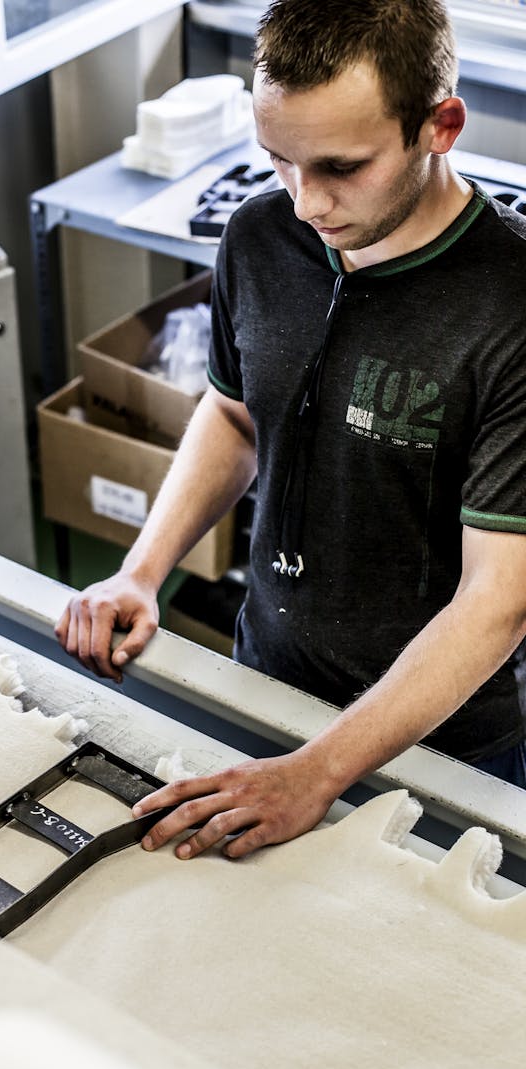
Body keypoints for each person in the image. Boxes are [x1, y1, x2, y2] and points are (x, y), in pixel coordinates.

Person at [55, 0, 526, 860]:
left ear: (441, 125)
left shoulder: (510, 307)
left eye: (344, 166)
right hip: (266, 682)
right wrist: (141, 571)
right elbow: (235, 414)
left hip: (448, 748)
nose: (307, 203)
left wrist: (318, 773)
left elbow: (499, 600)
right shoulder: (259, 237)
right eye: (279, 161)